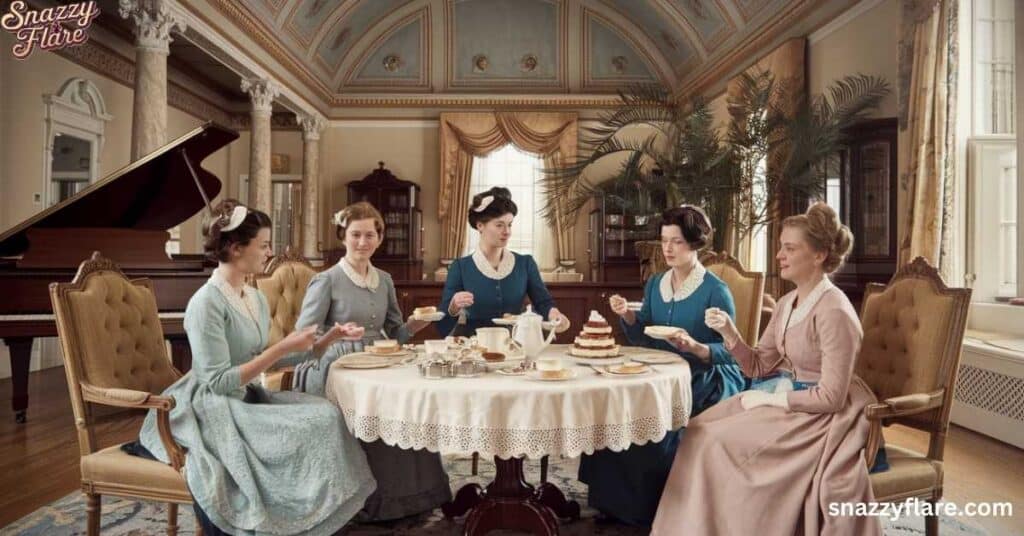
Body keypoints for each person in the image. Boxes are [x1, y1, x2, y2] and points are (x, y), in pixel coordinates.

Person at [133, 199, 376, 535]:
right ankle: (288, 521)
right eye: (262, 246)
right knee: (305, 427)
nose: (268, 252)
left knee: (326, 414)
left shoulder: (254, 297)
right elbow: (217, 381)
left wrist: (326, 340)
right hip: (209, 407)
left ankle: (310, 517)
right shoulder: (205, 303)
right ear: (235, 249)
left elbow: (265, 356)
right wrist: (282, 345)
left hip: (246, 395)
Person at [651, 202, 881, 535]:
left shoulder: (835, 312)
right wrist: (729, 332)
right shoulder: (788, 303)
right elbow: (758, 366)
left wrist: (771, 402)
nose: (779, 256)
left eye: (790, 248)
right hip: (790, 396)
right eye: (780, 248)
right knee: (698, 430)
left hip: (825, 416)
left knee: (718, 442)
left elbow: (831, 397)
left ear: (818, 256)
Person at [578, 205, 746, 526]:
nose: (667, 248)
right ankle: (611, 505)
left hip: (702, 380)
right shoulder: (656, 284)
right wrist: (628, 315)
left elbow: (730, 351)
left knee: (652, 434)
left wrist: (695, 347)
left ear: (695, 244)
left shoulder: (715, 290)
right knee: (614, 415)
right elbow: (645, 337)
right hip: (658, 374)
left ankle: (646, 513)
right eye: (664, 240)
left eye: (677, 242)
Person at [291, 201, 451, 520]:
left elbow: (395, 333)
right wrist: (336, 335)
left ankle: (407, 499)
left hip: (380, 357)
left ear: (379, 238)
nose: (362, 242)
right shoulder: (327, 280)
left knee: (406, 404)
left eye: (369, 235)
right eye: (355, 235)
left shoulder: (385, 280)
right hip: (334, 362)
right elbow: (304, 337)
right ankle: (358, 504)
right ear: (343, 237)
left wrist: (416, 325)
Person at [437, 186, 569, 336]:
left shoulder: (525, 263)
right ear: (480, 225)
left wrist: (554, 314)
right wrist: (453, 307)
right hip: (474, 349)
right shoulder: (460, 267)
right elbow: (442, 327)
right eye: (499, 225)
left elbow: (543, 303)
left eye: (509, 224)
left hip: (516, 345)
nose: (507, 232)